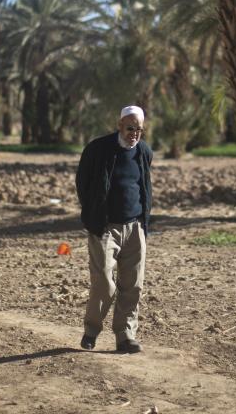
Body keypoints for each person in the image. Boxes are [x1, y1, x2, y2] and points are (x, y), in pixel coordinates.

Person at [75, 105, 153, 354]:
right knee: (104, 283)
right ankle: (91, 331)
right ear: (119, 125)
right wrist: (93, 214)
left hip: (135, 227)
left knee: (133, 284)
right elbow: (83, 183)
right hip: (105, 227)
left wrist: (142, 222)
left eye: (139, 129)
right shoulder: (98, 149)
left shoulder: (143, 151)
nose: (134, 134)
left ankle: (125, 335)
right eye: (130, 128)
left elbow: (144, 184)